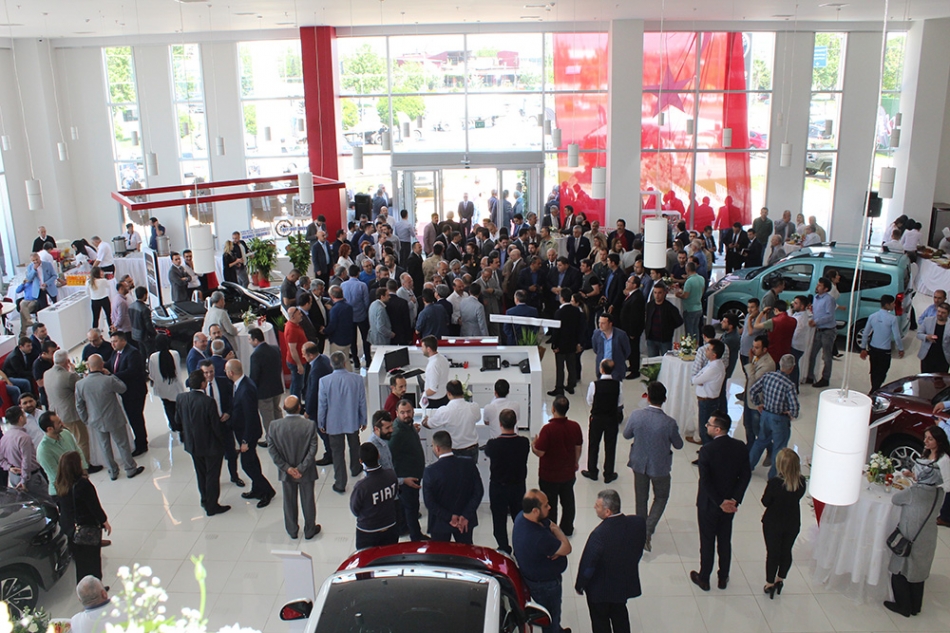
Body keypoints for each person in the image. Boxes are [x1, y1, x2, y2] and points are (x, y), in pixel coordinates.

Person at [689, 412, 751, 592]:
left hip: (709, 504)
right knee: (724, 540)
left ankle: (704, 577)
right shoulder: (739, 447)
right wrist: (734, 500)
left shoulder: (707, 450)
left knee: (707, 541)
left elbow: (705, 481)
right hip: (730, 505)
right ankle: (723, 577)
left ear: (717, 429)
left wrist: (719, 501)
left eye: (709, 424)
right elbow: (745, 476)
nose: (706, 426)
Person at [622, 381, 683, 552]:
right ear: (664, 399)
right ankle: (648, 530)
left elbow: (626, 434)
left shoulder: (636, 415)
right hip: (660, 466)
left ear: (647, 397)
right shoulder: (669, 422)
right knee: (661, 497)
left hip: (639, 463)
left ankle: (640, 530)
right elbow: (678, 445)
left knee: (641, 498)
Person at [575, 489, 646, 633]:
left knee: (600, 622)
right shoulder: (637, 523)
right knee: (620, 616)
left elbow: (588, 566)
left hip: (599, 591)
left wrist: (580, 585)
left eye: (597, 506)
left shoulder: (599, 535)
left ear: (607, 512)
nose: (594, 507)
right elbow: (639, 547)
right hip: (622, 585)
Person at [884, 456, 946, 617]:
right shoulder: (939, 492)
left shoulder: (914, 492)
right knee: (918, 571)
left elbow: (896, 499)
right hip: (928, 536)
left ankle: (903, 606)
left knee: (900, 571)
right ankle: (916, 606)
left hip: (910, 535)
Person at [75, 354, 144, 481]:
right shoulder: (108, 380)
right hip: (113, 418)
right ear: (102, 365)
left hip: (95, 420)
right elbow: (122, 388)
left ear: (88, 366)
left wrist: (86, 419)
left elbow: (79, 405)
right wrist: (111, 375)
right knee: (122, 444)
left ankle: (112, 471)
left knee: (104, 446)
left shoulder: (80, 384)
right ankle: (130, 469)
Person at [512, 489, 572, 633]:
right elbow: (567, 548)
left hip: (533, 577)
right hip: (546, 585)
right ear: (535, 511)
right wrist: (556, 530)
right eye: (545, 505)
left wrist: (551, 529)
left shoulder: (521, 517)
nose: (549, 507)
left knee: (550, 614)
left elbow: (547, 523)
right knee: (551, 616)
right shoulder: (539, 537)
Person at [177, 370, 230, 516]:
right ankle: (212, 506)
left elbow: (177, 420)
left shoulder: (181, 398)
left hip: (192, 444)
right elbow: (215, 426)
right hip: (210, 446)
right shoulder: (208, 401)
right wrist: (222, 442)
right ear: (202, 384)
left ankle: (204, 499)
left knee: (200, 473)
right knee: (212, 475)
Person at [267, 396, 320, 539]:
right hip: (306, 472)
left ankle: (292, 530)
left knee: (289, 501)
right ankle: (310, 530)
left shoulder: (274, 426)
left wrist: (287, 468)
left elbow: (272, 450)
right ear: (299, 408)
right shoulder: (309, 425)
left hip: (287, 473)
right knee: (308, 501)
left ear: (284, 408)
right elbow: (313, 449)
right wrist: (301, 468)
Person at [225, 359, 276, 507]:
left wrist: (245, 440)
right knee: (252, 461)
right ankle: (256, 489)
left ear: (231, 372)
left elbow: (250, 416)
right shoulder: (243, 383)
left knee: (247, 465)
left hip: (248, 434)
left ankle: (267, 491)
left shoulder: (246, 389)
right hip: (246, 431)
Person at [55, 452, 110, 582]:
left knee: (81, 564)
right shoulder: (83, 485)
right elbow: (94, 506)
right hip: (86, 529)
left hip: (70, 529)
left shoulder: (60, 483)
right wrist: (104, 521)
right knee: (93, 562)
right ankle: (96, 588)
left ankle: (83, 588)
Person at [532, 396, 583, 536]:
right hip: (568, 473)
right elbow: (578, 447)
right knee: (568, 502)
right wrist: (575, 462)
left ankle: (551, 529)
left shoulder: (547, 429)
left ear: (553, 409)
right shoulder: (575, 426)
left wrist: (533, 445)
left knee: (549, 504)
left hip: (549, 475)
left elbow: (540, 452)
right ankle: (567, 528)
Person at [318, 351, 366, 493]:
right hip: (352, 420)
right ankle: (355, 468)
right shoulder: (357, 379)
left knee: (337, 453)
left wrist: (321, 422)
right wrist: (363, 419)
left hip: (333, 423)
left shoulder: (324, 381)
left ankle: (340, 483)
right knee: (355, 445)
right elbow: (362, 402)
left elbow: (322, 405)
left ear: (331, 364)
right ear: (345, 363)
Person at [761, 448, 806, 598]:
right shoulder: (801, 482)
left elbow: (765, 501)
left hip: (773, 522)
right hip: (792, 521)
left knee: (772, 553)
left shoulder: (775, 483)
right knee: (786, 551)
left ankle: (769, 583)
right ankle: (780, 579)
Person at [423, 430, 483, 543]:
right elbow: (478, 492)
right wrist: (465, 515)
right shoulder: (469, 464)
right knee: (465, 551)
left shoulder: (430, 471)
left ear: (437, 448)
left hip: (440, 523)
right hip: (464, 522)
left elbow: (429, 502)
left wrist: (449, 517)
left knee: (441, 553)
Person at [485, 409, 530, 554]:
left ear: (500, 424)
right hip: (518, 486)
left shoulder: (493, 445)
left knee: (499, 519)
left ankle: (503, 547)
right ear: (516, 422)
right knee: (520, 518)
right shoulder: (524, 442)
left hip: (498, 487)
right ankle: (520, 547)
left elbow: (487, 453)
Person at [748, 354, 800, 479]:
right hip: (780, 419)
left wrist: (758, 403)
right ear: (791, 368)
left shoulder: (768, 376)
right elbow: (794, 407)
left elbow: (753, 390)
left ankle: (748, 466)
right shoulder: (789, 385)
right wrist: (792, 414)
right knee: (779, 447)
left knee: (760, 441)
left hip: (765, 415)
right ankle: (773, 476)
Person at [45, 350, 98, 470]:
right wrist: (73, 371)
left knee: (67, 441)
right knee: (81, 440)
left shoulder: (46, 374)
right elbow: (81, 387)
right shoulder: (68, 376)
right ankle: (85, 465)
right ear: (67, 361)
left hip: (56, 413)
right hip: (70, 414)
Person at [350, 442, 399, 549]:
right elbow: (394, 494)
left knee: (366, 557)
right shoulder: (391, 475)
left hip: (368, 531)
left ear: (361, 461)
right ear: (378, 456)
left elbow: (355, 510)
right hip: (390, 526)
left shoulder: (361, 486)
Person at [390, 399, 427, 541]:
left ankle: (404, 528)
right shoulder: (397, 433)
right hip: (407, 478)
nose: (406, 415)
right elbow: (388, 458)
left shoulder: (408, 425)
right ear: (396, 413)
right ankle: (416, 537)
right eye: (402, 413)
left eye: (408, 412)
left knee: (408, 506)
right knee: (412, 508)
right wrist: (401, 480)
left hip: (414, 473)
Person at [582, 359, 624, 484]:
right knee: (610, 446)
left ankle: (592, 471)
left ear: (601, 369)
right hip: (612, 418)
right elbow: (620, 402)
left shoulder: (594, 385)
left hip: (597, 418)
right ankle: (609, 473)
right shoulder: (618, 384)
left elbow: (590, 400)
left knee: (593, 444)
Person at [109, 332, 149, 456]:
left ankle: (142, 444)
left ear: (123, 341)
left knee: (135, 417)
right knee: (132, 417)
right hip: (125, 392)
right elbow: (110, 364)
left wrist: (112, 376)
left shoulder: (132, 353)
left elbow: (132, 371)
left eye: (115, 341)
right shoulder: (116, 352)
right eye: (112, 341)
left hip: (135, 392)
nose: (113, 344)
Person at [0, 405, 51, 501]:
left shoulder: (5, 437)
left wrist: (9, 467)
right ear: (20, 418)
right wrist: (23, 481)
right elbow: (26, 461)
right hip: (30, 478)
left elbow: (1, 459)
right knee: (47, 502)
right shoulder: (24, 438)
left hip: (14, 477)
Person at [422, 380, 481, 460]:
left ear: (448, 393)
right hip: (471, 449)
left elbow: (429, 424)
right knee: (471, 468)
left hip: (453, 451)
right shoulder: (474, 407)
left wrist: (425, 419)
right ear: (462, 392)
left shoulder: (444, 411)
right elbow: (478, 419)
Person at [36, 411, 89, 499]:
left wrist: (83, 469)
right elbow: (57, 475)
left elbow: (77, 450)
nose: (62, 424)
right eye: (59, 423)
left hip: (79, 482)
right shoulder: (43, 451)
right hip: (63, 491)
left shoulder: (65, 433)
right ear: (49, 429)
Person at [860, 295, 905, 392]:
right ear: (887, 305)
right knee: (882, 372)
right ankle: (874, 391)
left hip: (873, 349)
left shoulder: (872, 316)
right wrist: (900, 348)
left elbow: (865, 333)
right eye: (893, 303)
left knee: (874, 371)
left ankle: (874, 389)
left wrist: (863, 348)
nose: (894, 305)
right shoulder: (892, 319)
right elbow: (897, 336)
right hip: (885, 351)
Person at [248, 327, 284, 444]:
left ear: (255, 340)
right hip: (276, 387)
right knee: (277, 411)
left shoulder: (256, 355)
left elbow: (254, 376)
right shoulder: (275, 349)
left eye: (250, 339)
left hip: (264, 392)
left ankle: (272, 440)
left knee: (268, 416)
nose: (249, 342)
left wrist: (252, 390)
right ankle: (281, 435)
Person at [692, 340, 726, 446]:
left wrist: (699, 380)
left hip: (707, 402)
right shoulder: (713, 364)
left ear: (714, 355)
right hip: (708, 401)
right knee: (705, 430)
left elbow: (695, 380)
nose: (706, 351)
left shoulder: (713, 368)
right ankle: (707, 450)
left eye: (708, 349)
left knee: (705, 431)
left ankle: (708, 451)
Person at [148, 334, 183, 433]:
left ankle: (173, 425)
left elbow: (152, 374)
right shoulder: (175, 354)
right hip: (176, 386)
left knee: (167, 406)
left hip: (162, 387)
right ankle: (181, 424)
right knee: (177, 406)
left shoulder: (153, 357)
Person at [805, 277, 836, 388]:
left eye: (820, 285)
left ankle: (825, 378)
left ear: (826, 288)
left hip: (827, 331)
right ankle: (810, 375)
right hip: (818, 330)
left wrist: (816, 321)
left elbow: (829, 315)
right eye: (817, 284)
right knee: (812, 353)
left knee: (826, 356)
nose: (817, 287)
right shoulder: (815, 298)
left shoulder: (829, 300)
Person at [644, 282, 684, 356]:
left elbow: (679, 321)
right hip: (651, 338)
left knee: (665, 359)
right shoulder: (649, 305)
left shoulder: (670, 307)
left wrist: (668, 328)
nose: (657, 295)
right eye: (655, 293)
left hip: (665, 340)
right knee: (652, 360)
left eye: (659, 293)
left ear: (664, 293)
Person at [591, 314, 630, 383]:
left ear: (610, 324)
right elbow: (595, 349)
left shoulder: (621, 335)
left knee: (615, 386)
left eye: (603, 323)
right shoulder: (596, 334)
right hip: (602, 367)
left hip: (616, 366)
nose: (600, 325)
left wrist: (620, 359)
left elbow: (626, 350)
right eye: (599, 323)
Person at [283, 307, 309, 397]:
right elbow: (292, 349)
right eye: (299, 314)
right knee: (297, 385)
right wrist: (299, 365)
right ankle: (295, 402)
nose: (301, 315)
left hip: (301, 360)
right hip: (296, 362)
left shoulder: (295, 325)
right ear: (293, 317)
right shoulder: (292, 330)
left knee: (297, 383)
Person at [918, 302, 950, 374]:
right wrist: (927, 337)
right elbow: (919, 334)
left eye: (943, 313)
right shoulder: (927, 320)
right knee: (925, 377)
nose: (940, 314)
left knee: (940, 378)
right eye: (938, 311)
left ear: (948, 314)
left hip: (943, 358)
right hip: (927, 356)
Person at [421, 335, 450, 408]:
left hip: (434, 401)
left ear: (428, 349)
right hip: (443, 396)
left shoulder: (433, 366)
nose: (421, 349)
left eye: (423, 347)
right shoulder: (442, 358)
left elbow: (433, 390)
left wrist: (423, 394)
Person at [128, 286, 156, 359]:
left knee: (142, 354)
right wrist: (154, 333)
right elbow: (148, 325)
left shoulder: (131, 306)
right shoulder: (144, 309)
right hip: (145, 336)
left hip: (136, 334)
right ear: (144, 295)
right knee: (150, 354)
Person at [86, 267, 112, 331]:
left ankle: (94, 332)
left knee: (95, 318)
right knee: (108, 316)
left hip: (94, 300)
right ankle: (111, 330)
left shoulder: (88, 282)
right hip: (104, 299)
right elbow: (108, 286)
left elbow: (87, 292)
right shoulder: (103, 281)